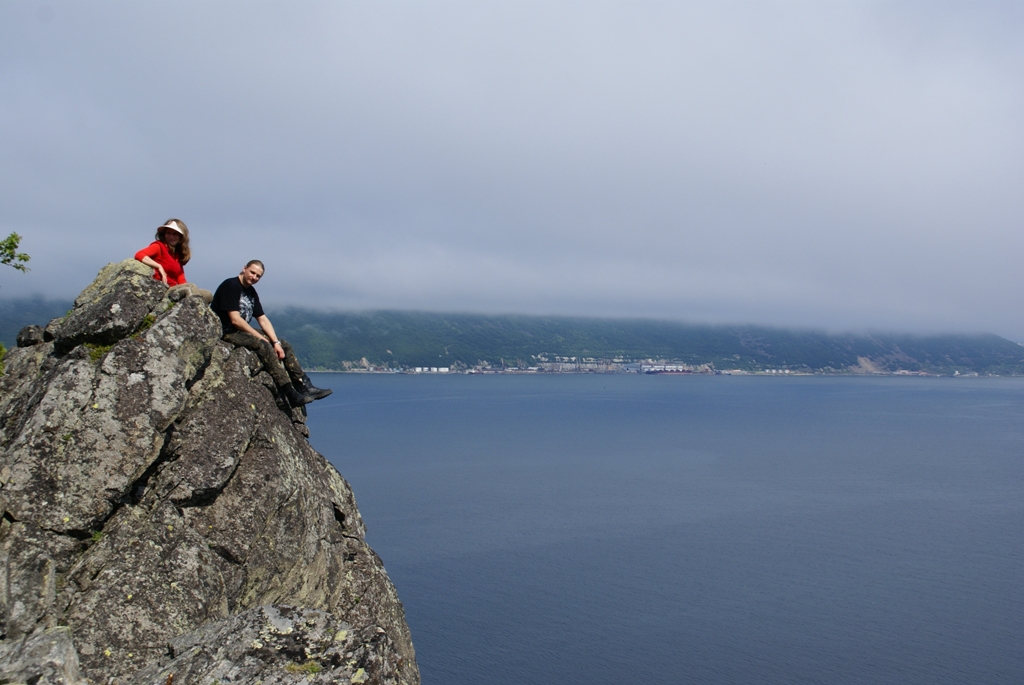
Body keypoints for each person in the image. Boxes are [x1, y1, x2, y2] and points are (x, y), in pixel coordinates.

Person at [210, 260, 332, 406]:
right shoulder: (231, 286)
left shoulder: (251, 292)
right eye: (252, 272)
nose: (254, 277)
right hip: (227, 331)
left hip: (240, 330)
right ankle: (289, 392)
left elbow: (262, 318)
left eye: (258, 276)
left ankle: (304, 386)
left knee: (284, 345)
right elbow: (235, 320)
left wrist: (276, 342)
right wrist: (261, 338)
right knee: (263, 345)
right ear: (244, 268)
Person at [134, 218, 212, 303]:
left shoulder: (177, 255)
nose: (171, 237)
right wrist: (159, 266)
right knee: (190, 287)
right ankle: (191, 309)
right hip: (163, 290)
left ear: (181, 237)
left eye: (175, 234)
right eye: (168, 233)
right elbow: (139, 255)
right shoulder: (159, 246)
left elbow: (181, 281)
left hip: (175, 289)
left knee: (208, 294)